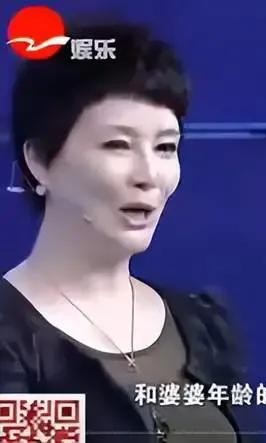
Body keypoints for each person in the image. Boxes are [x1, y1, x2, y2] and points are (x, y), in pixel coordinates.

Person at [0, 21, 252, 442]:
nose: (148, 175)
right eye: (117, 145)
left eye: (166, 147)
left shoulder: (203, 325)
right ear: (39, 161)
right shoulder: (10, 339)